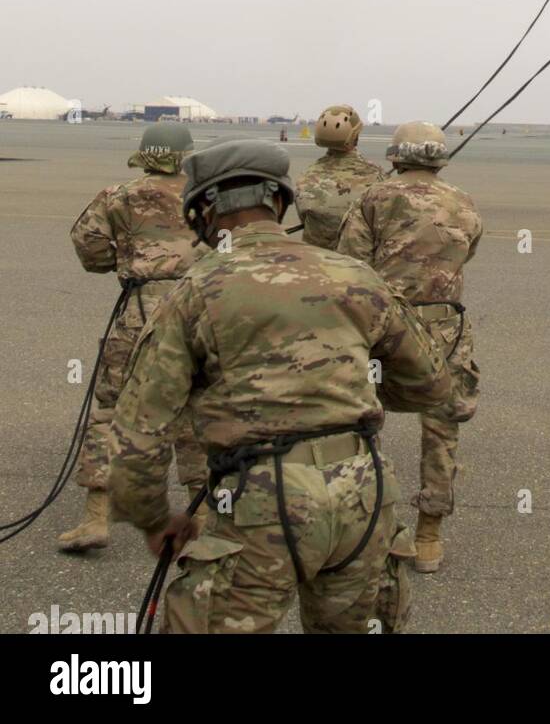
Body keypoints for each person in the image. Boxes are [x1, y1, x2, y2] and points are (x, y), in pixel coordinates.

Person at [108, 139, 450, 634]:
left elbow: (139, 434)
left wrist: (154, 519)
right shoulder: (357, 276)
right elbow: (430, 384)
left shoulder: (196, 290)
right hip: (364, 495)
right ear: (280, 201)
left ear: (205, 211)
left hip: (262, 504)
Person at [338, 122, 481, 575]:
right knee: (442, 427)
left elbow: (351, 263)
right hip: (445, 328)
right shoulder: (462, 202)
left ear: (396, 155)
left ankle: (372, 526)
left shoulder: (374, 198)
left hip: (385, 327)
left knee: (362, 421)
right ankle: (429, 536)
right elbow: (466, 250)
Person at [58, 122, 206, 553]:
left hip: (140, 312)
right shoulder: (206, 196)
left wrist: (125, 260)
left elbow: (89, 246)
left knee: (111, 409)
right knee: (197, 410)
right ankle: (203, 516)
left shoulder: (117, 196)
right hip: (198, 310)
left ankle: (97, 517)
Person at [294, 104, 383, 249]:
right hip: (359, 264)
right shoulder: (376, 175)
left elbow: (304, 217)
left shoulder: (307, 177)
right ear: (355, 135)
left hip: (317, 262)